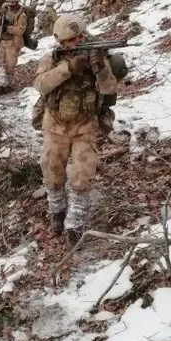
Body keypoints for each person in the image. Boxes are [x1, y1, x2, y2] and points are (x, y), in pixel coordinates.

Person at [33, 14, 118, 246]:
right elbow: (40, 84)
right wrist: (68, 69)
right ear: (61, 42)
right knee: (52, 170)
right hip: (55, 124)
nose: (78, 42)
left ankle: (76, 224)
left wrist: (100, 68)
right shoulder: (52, 57)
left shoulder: (97, 55)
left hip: (86, 124)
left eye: (80, 36)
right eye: (72, 40)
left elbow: (111, 89)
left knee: (82, 174)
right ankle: (57, 210)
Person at [0, 0, 27, 94]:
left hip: (13, 43)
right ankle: (1, 85)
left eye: (13, 2)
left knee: (10, 65)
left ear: (17, 2)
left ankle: (8, 85)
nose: (11, 4)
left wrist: (8, 28)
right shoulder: (3, 9)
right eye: (9, 1)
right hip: (1, 42)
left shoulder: (21, 14)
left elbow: (21, 30)